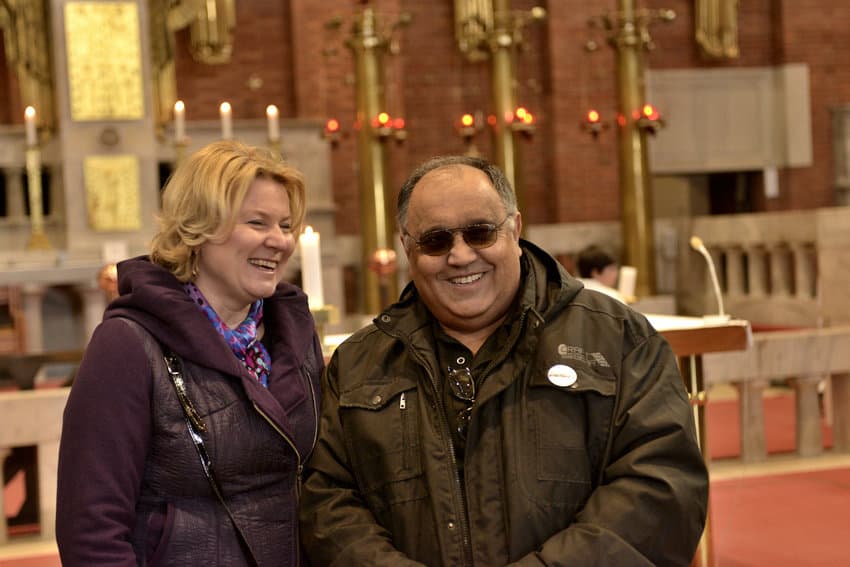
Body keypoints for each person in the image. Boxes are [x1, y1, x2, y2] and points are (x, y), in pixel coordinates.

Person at [300, 155, 708, 566]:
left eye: (480, 233)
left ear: (515, 228)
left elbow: (661, 485)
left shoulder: (619, 340)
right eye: (436, 241)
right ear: (408, 248)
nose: (460, 256)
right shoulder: (358, 363)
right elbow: (327, 501)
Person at [56, 140, 323, 567]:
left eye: (286, 225)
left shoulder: (295, 333)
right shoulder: (127, 344)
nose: (280, 241)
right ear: (199, 227)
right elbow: (92, 530)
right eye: (257, 222)